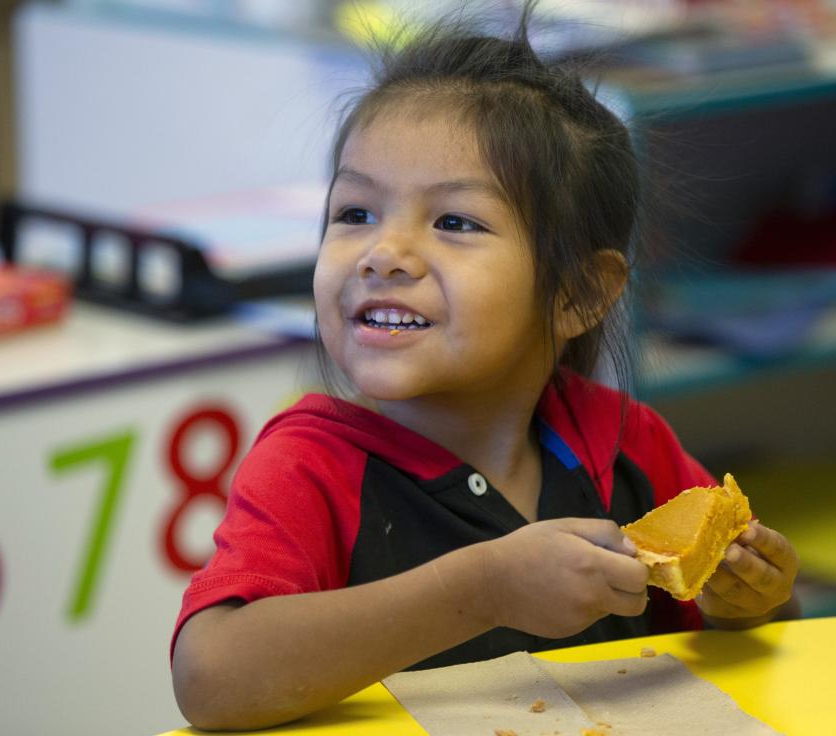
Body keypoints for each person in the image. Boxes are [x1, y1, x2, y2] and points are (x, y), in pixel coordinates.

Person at [170, 11, 800, 731]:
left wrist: (752, 601)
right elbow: (210, 678)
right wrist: (480, 591)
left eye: (453, 222)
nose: (383, 252)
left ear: (579, 294)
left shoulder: (626, 443)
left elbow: (761, 638)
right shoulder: (309, 466)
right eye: (355, 213)